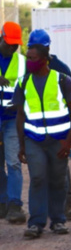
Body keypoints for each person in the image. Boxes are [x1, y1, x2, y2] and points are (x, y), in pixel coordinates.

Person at [13, 32, 71, 239]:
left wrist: (68, 141)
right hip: (34, 141)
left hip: (58, 141)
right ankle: (36, 223)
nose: (29, 61)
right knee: (38, 178)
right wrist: (22, 145)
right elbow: (20, 115)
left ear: (44, 58)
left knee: (58, 179)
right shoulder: (23, 83)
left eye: (32, 58)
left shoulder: (62, 80)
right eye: (28, 58)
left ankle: (58, 220)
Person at [0, 22, 27, 224]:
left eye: (15, 45)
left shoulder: (22, 61)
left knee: (14, 162)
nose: (12, 48)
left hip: (11, 120)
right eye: (9, 44)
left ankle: (14, 205)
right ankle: (2, 203)